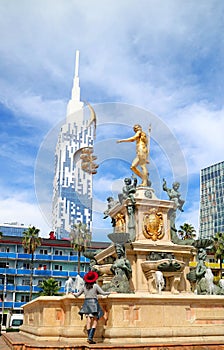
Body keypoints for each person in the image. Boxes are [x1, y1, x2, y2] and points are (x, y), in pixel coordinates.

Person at [73, 271, 110, 344]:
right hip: (94, 304)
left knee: (88, 321)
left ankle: (89, 337)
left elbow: (77, 295)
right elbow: (103, 293)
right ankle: (90, 337)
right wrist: (110, 292)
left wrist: (72, 293)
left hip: (86, 304)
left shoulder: (84, 286)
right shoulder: (95, 286)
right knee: (95, 320)